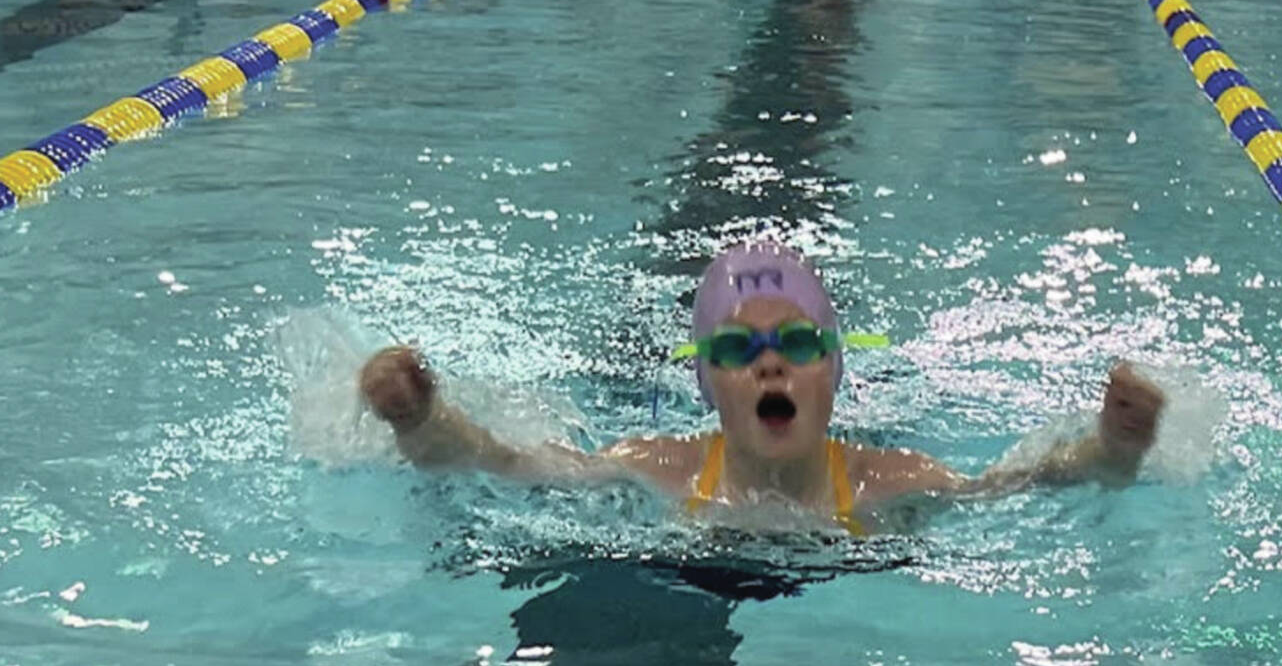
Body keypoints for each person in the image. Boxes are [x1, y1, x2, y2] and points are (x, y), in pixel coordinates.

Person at [357, 240, 1167, 531]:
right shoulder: (659, 466)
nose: (771, 365)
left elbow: (1027, 485)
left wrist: (1116, 446)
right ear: (709, 383)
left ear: (835, 372)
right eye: (741, 348)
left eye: (799, 343)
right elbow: (501, 465)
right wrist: (420, 419)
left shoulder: (896, 481)